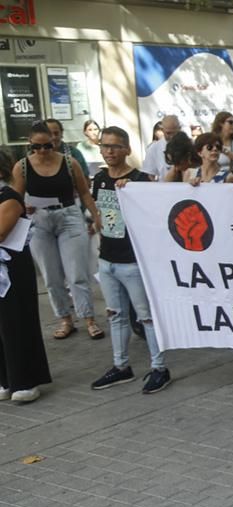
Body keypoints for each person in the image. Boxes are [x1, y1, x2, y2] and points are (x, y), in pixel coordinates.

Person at [88, 126, 171, 395]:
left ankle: (160, 368)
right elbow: (99, 212)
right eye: (104, 146)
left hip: (133, 262)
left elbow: (155, 215)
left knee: (145, 316)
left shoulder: (140, 180)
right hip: (107, 259)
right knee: (115, 315)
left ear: (127, 150)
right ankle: (121, 366)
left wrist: (133, 191)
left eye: (114, 146)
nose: (109, 151)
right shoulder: (99, 178)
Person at [12, 121, 104, 340]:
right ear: (29, 144)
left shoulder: (69, 162)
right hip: (39, 220)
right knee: (51, 276)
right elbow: (14, 199)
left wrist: (96, 216)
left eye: (47, 146)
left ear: (54, 142)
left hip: (68, 216)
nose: (42, 151)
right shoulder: (22, 166)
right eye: (37, 147)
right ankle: (65, 319)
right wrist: (23, 206)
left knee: (76, 273)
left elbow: (84, 192)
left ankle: (89, 318)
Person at [0, 150, 51, 404]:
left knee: (17, 321)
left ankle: (26, 379)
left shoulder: (9, 197)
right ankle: (5, 378)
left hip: (11, 270)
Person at [142, 114, 182, 180]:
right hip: (164, 188)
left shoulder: (190, 145)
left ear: (179, 129)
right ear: (163, 130)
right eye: (168, 133)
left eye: (175, 133)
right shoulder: (153, 149)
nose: (172, 136)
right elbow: (149, 176)